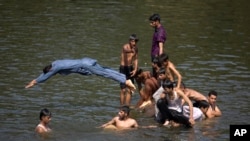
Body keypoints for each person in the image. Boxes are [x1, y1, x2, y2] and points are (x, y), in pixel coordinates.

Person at [25, 57, 136, 91]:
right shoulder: (55, 63)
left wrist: (33, 82)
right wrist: (35, 80)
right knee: (105, 70)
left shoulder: (55, 68)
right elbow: (44, 74)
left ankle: (125, 81)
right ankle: (124, 78)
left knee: (104, 73)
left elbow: (45, 77)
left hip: (85, 65)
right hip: (86, 61)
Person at [119, 34, 139, 105]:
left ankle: (127, 106)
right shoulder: (125, 47)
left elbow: (136, 59)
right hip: (123, 68)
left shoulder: (135, 48)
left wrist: (135, 69)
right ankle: (121, 106)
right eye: (133, 41)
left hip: (130, 68)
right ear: (130, 41)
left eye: (136, 41)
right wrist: (132, 51)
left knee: (130, 88)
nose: (134, 43)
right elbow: (126, 50)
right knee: (123, 89)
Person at [149, 13, 167, 78]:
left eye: (152, 22)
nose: (151, 24)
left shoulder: (160, 32)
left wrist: (160, 59)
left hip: (157, 56)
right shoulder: (157, 29)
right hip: (154, 54)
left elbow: (161, 46)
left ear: (157, 21)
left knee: (157, 73)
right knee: (154, 73)